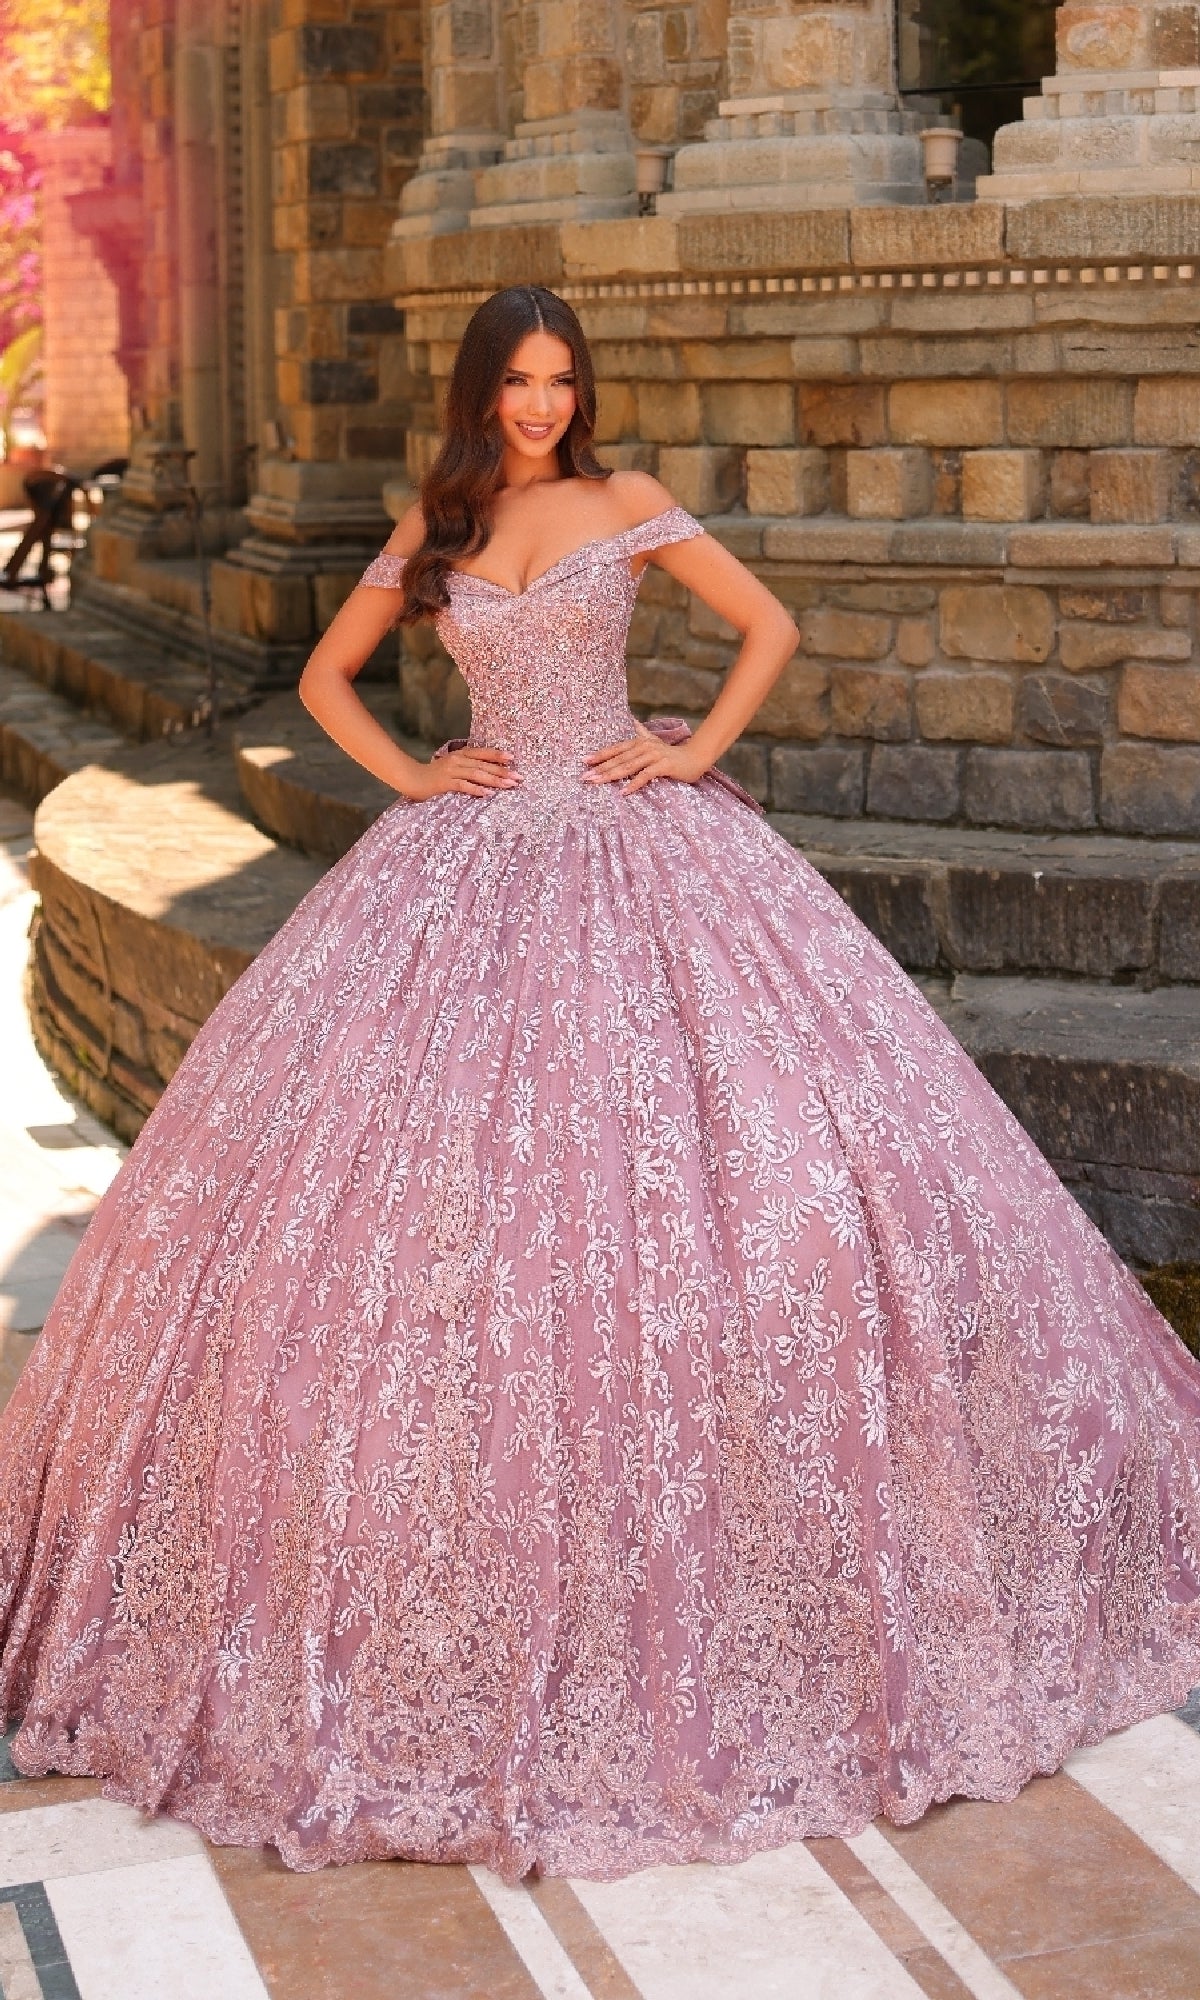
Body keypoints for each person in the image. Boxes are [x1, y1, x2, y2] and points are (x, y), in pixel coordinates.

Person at [2, 284, 1199, 1885]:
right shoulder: (437, 520)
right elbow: (326, 681)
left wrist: (692, 750)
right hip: (468, 856)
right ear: (481, 390)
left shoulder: (627, 504)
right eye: (520, 380)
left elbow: (765, 627)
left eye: (564, 380)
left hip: (641, 842)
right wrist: (418, 774)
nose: (544, 404)